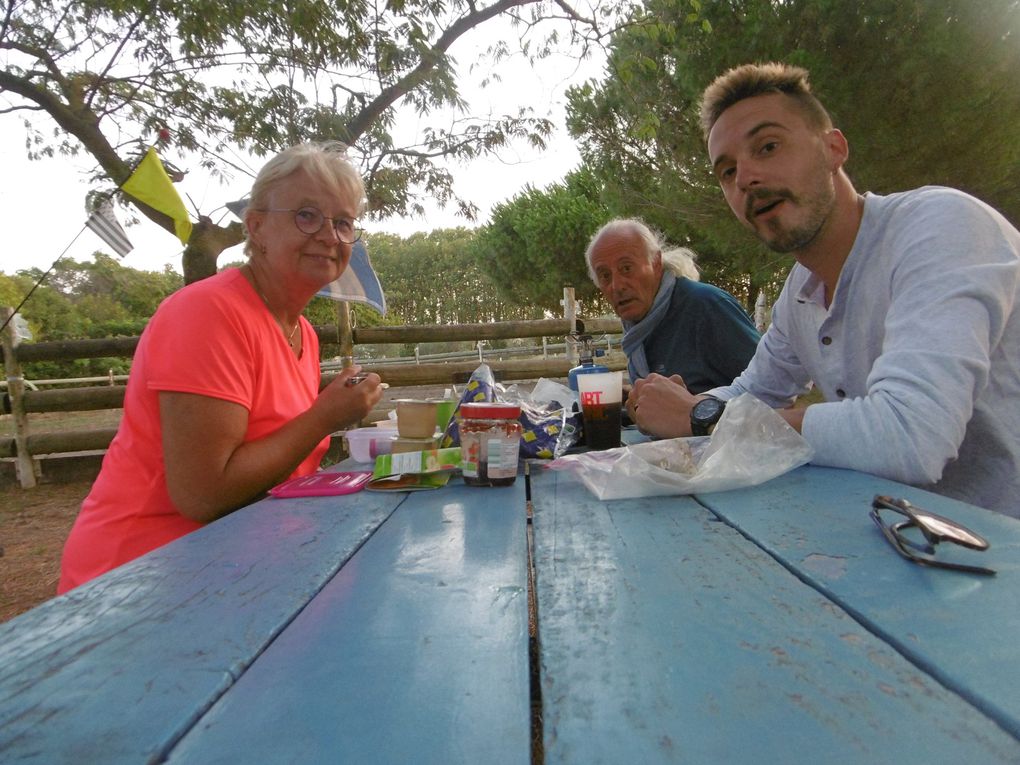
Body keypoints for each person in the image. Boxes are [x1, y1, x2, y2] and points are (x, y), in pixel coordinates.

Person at [628, 62, 1020, 517]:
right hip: (903, 535)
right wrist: (683, 403)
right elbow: (754, 391)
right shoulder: (800, 292)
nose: (747, 179)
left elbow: (911, 434)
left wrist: (704, 419)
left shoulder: (942, 227)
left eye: (768, 146)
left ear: (834, 149)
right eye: (728, 171)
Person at [58, 142, 385, 592]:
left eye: (343, 222)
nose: (330, 236)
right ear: (257, 227)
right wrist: (326, 416)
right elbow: (203, 495)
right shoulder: (208, 312)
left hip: (235, 566)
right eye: (307, 215)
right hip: (139, 581)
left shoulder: (302, 333)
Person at [585, 218, 760, 392]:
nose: (617, 286)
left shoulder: (707, 306)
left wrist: (695, 409)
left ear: (656, 262)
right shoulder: (638, 329)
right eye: (605, 276)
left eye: (626, 268)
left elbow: (774, 391)